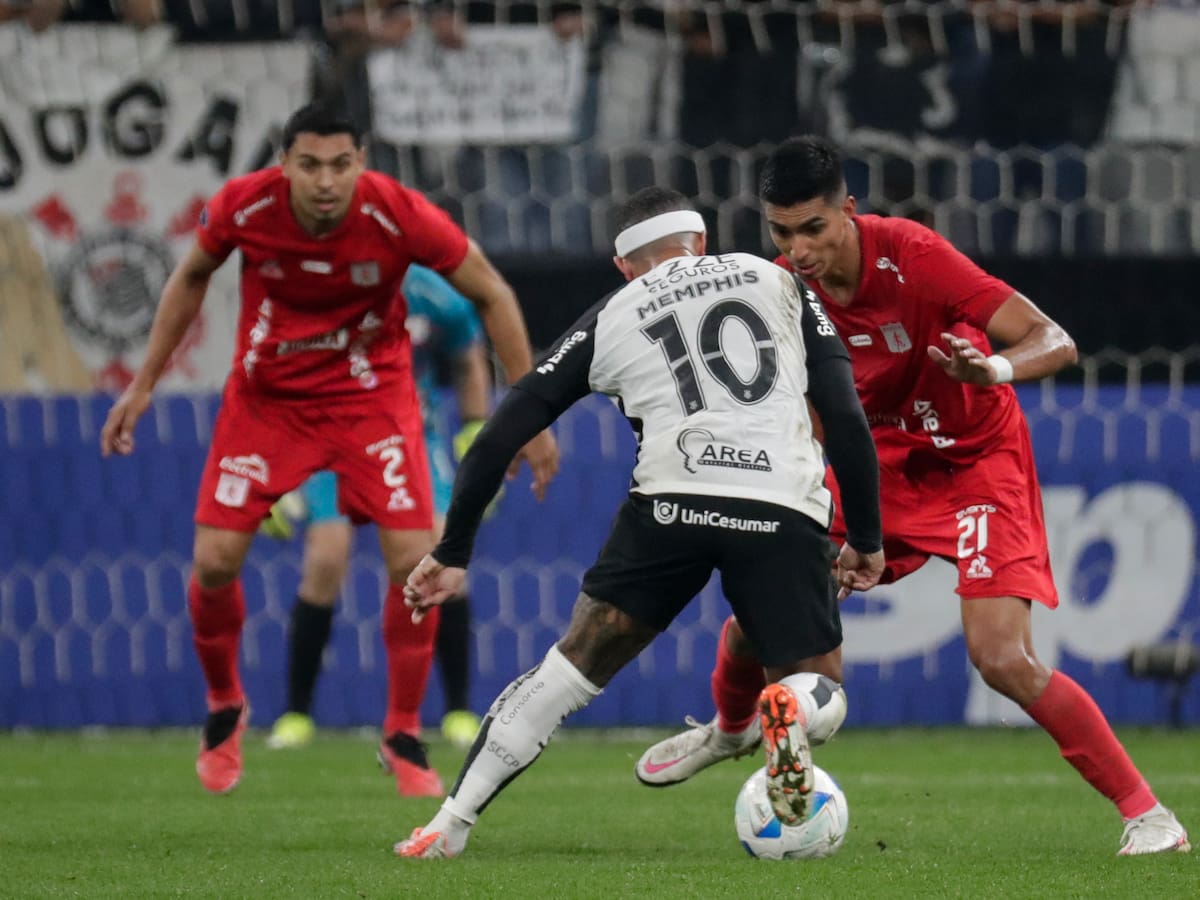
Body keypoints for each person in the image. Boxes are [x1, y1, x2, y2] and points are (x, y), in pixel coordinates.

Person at [634, 136, 1191, 857]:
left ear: (849, 212)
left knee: (1002, 659)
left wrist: (992, 368)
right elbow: (794, 406)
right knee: (761, 614)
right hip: (874, 465)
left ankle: (1149, 815)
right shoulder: (778, 291)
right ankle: (730, 727)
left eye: (813, 229)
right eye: (780, 232)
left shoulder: (914, 255)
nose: (796, 250)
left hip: (976, 461)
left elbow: (1055, 340)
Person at [393, 186, 885, 859]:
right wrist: (866, 538)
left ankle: (448, 824)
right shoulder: (778, 282)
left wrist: (452, 551)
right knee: (817, 684)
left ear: (624, 265)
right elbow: (849, 421)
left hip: (672, 501)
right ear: (702, 244)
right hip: (780, 501)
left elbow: (500, 434)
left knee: (567, 670)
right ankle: (791, 710)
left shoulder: (614, 313)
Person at [98, 102, 559, 796]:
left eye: (341, 164)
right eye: (309, 164)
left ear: (361, 163)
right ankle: (226, 706)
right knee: (215, 561)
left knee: (415, 560)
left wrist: (528, 412)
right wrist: (142, 385)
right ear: (283, 164)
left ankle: (403, 731)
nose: (325, 181)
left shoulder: (397, 213)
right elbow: (192, 276)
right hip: (267, 404)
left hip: (371, 404)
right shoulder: (243, 208)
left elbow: (491, 292)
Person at [265, 264, 494, 761]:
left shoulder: (432, 293)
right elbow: (277, 372)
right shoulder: (320, 284)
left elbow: (468, 355)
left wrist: (475, 433)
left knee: (441, 553)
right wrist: (274, 467)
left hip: (415, 442)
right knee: (326, 557)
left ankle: (457, 709)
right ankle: (297, 713)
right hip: (334, 438)